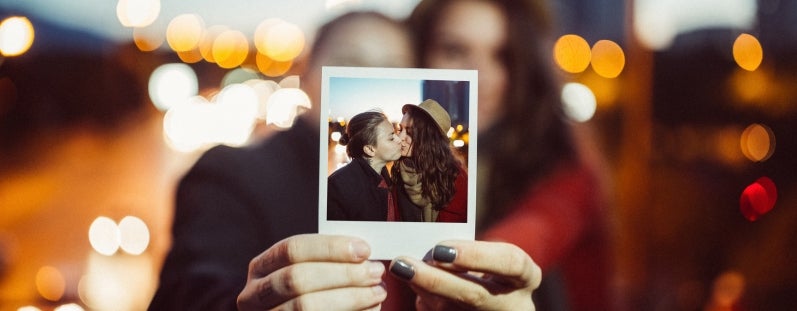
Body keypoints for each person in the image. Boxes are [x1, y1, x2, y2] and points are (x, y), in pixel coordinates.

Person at [150, 10, 543, 311]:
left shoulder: (445, 181)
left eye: (391, 68)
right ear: (307, 74)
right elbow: (190, 288)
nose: (369, 76)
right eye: (349, 61)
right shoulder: (233, 174)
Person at [408, 0, 613, 310]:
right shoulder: (403, 156)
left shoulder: (567, 170)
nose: (480, 76)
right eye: (454, 50)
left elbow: (538, 230)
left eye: (502, 56)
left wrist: (482, 262)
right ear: (418, 55)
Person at [393, 99, 467, 222]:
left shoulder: (456, 180)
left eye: (410, 132)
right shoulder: (397, 173)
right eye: (400, 130)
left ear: (429, 140)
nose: (400, 138)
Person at [328, 110, 403, 221]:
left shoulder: (386, 178)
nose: (399, 139)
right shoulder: (338, 188)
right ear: (370, 149)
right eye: (391, 138)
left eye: (395, 133)